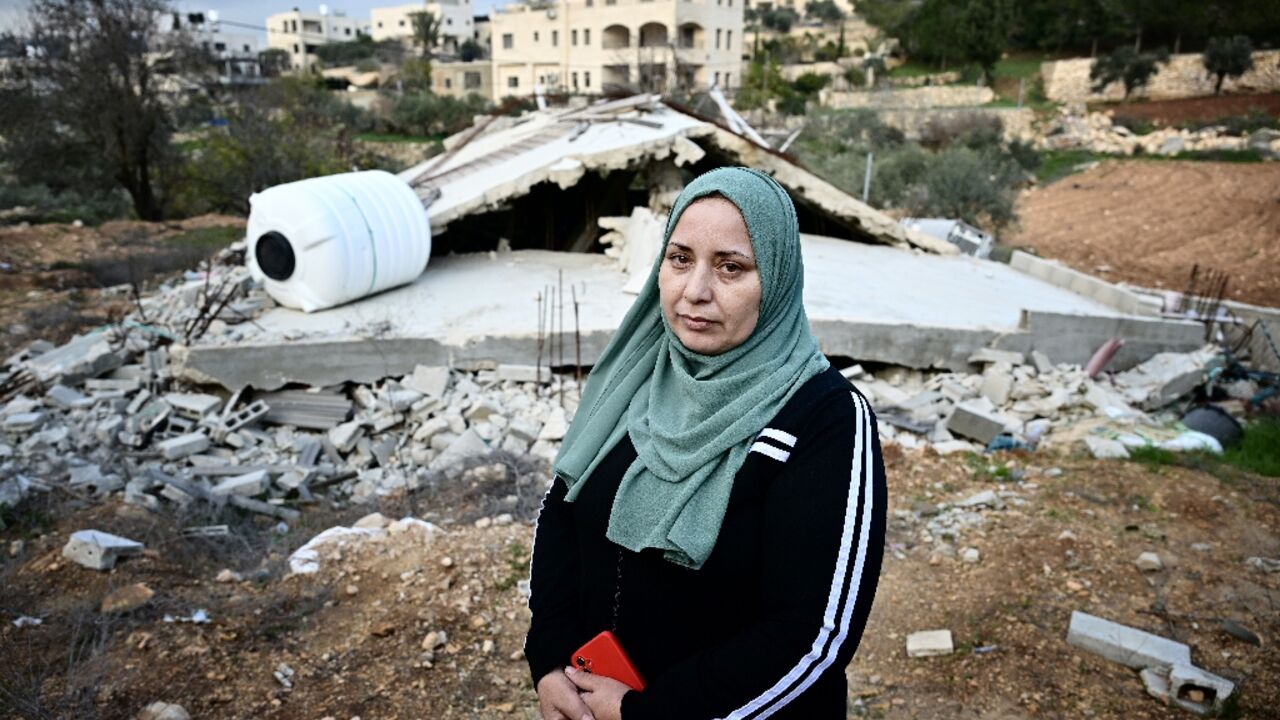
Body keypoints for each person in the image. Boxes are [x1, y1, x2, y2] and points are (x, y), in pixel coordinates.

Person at [524, 167, 887, 720]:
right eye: (680, 259)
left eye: (732, 267)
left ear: (779, 279)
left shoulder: (825, 419)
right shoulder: (635, 378)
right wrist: (550, 660)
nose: (696, 291)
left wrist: (648, 713)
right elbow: (561, 511)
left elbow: (813, 636)